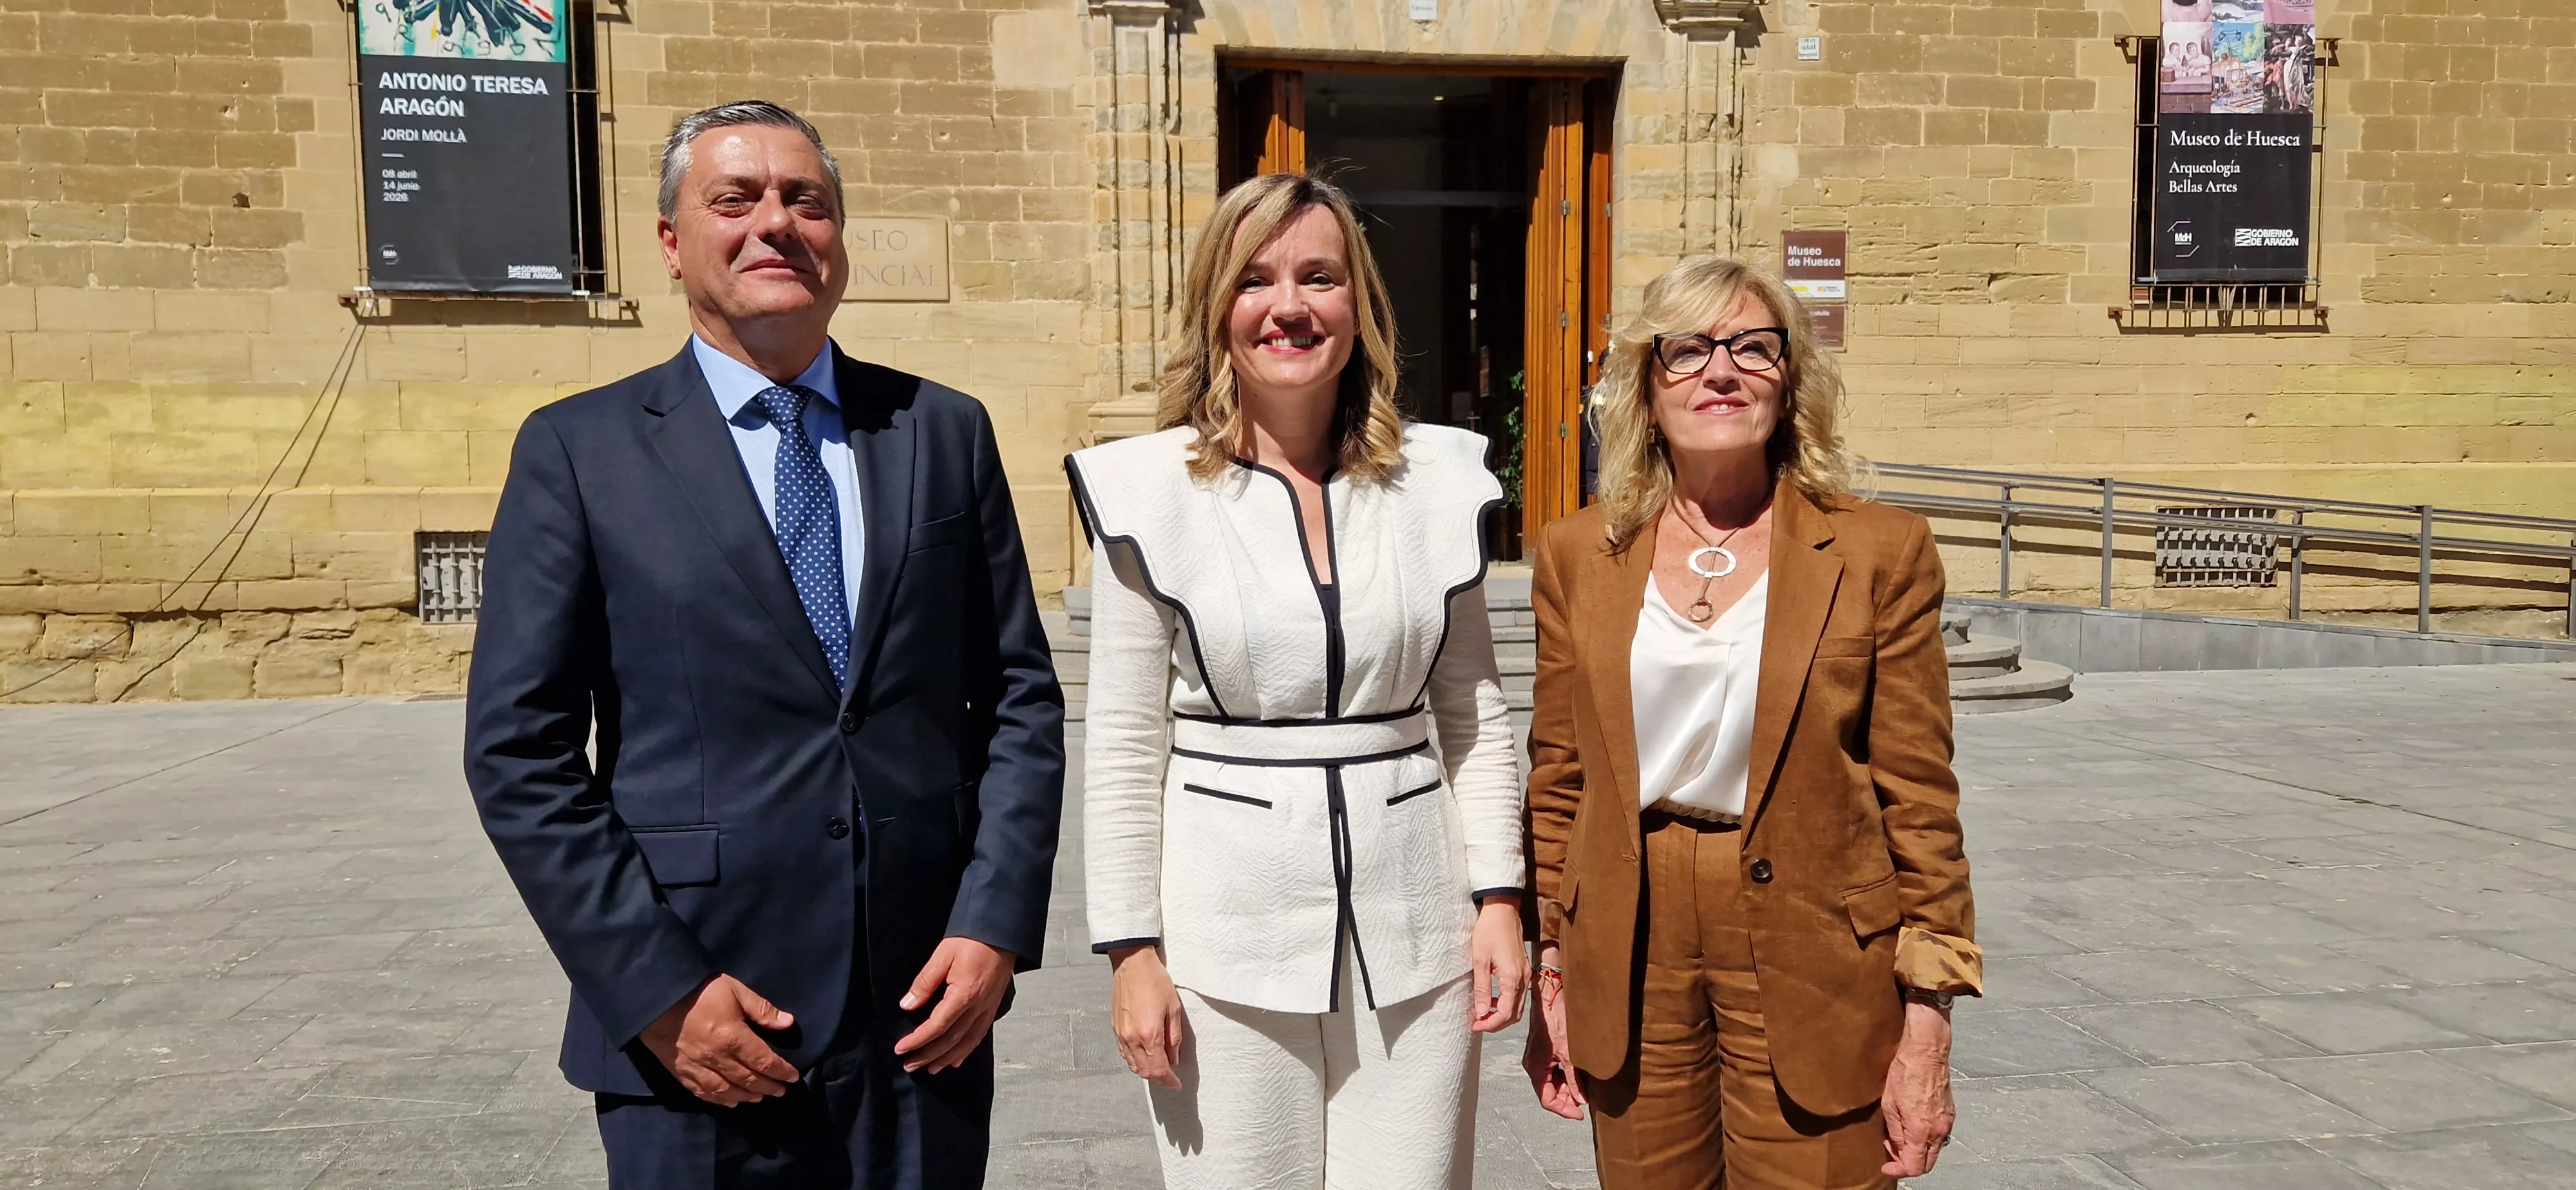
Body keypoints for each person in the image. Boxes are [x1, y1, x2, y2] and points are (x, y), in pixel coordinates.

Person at [464, 100, 1065, 1189]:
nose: (775, 224)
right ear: (670, 242)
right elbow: (519, 752)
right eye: (733, 199)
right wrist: (654, 989)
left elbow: (1019, 699)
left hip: (921, 1018)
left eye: (808, 202)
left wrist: (995, 928)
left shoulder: (941, 431)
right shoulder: (579, 451)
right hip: (702, 1029)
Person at [1067, 172, 1526, 1189]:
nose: (1289, 307)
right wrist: (1131, 954)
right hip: (1222, 938)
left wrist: (1501, 898)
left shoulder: (1437, 482)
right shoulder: (1148, 493)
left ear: (1358, 305)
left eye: (1319, 278)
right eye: (1257, 280)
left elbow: (1474, 714)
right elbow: (1127, 744)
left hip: (1419, 929)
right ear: (1218, 306)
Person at [1520, 256, 1980, 1190]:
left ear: (1790, 378)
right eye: (1686, 350)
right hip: (1633, 931)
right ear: (1647, 387)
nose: (1719, 371)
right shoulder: (1578, 555)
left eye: (1751, 348)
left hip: (1817, 941)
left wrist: (1928, 1008)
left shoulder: (1878, 551)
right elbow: (1559, 775)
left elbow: (1919, 794)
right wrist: (1553, 963)